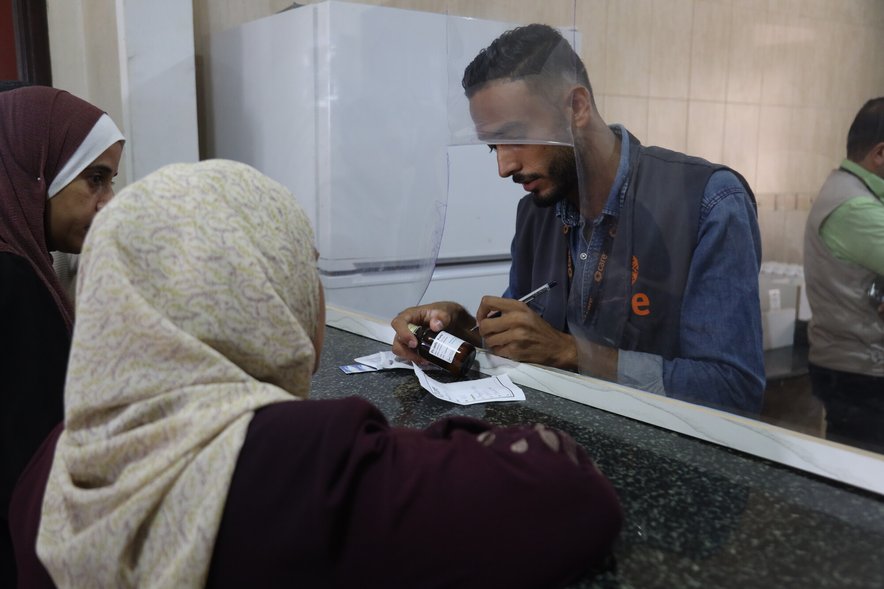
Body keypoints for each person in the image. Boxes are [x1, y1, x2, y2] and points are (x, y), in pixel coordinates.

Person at [10, 160, 622, 588]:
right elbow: (570, 493)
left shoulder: (51, 466)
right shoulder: (301, 461)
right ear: (260, 293)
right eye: (304, 269)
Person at [392, 24, 765, 414]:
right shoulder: (535, 213)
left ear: (577, 108)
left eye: (516, 136)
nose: (504, 167)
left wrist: (571, 352)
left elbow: (733, 390)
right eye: (493, 147)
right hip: (555, 440)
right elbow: (526, 345)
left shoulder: (708, 201)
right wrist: (464, 330)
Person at [0, 85, 124, 586]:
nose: (108, 203)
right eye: (96, 179)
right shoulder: (12, 283)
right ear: (36, 169)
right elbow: (35, 460)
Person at [803, 97, 884, 453]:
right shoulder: (855, 207)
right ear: (880, 153)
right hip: (861, 375)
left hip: (852, 369)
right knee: (862, 479)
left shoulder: (851, 190)